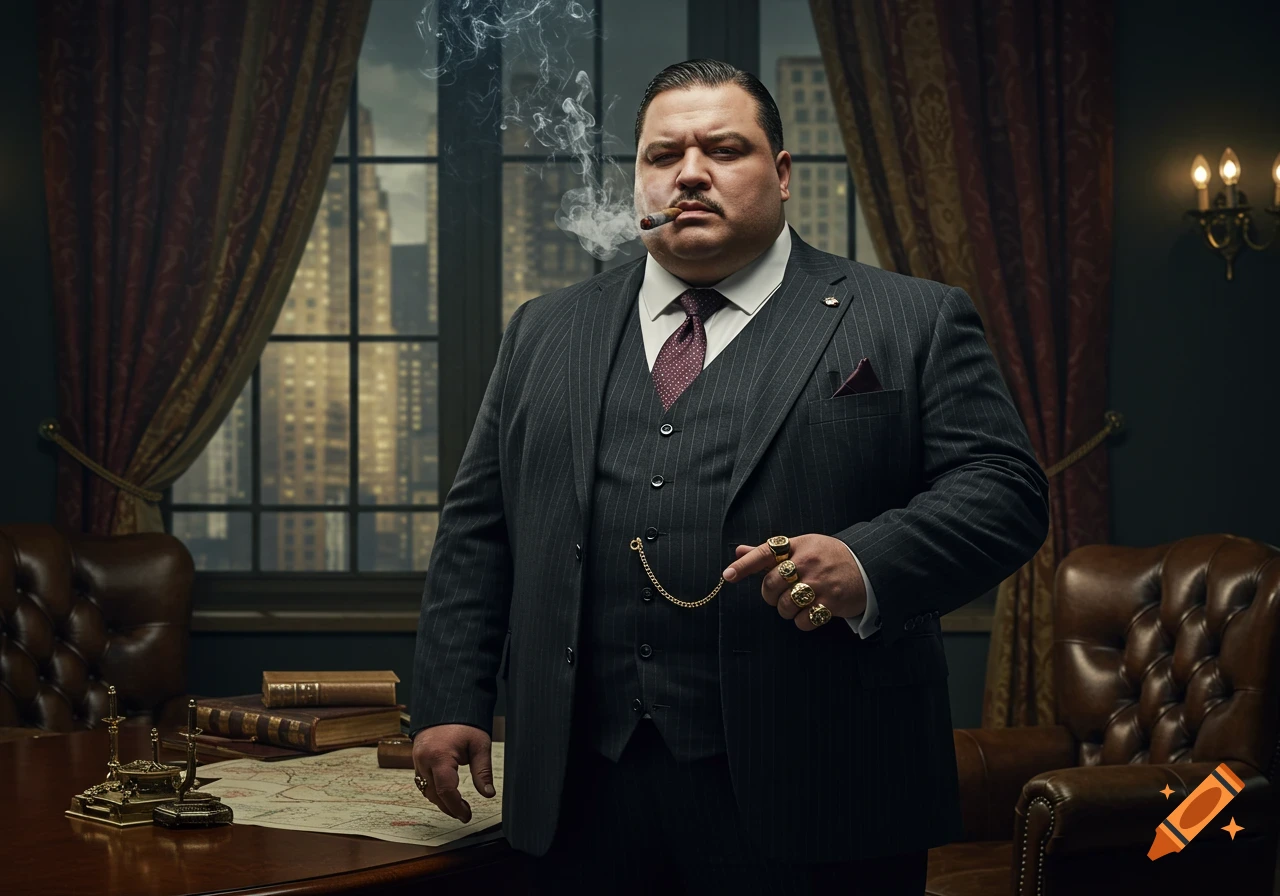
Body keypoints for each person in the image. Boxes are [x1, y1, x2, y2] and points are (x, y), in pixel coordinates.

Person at [410, 59, 1050, 894]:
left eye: (723, 148)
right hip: (578, 790)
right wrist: (452, 697)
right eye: (661, 155)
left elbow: (1005, 489)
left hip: (823, 786)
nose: (689, 174)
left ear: (782, 176)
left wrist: (866, 564)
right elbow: (479, 527)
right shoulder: (544, 330)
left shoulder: (911, 316)